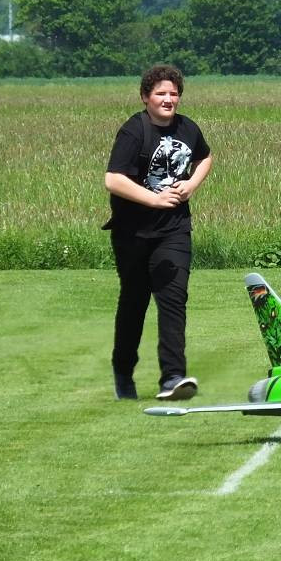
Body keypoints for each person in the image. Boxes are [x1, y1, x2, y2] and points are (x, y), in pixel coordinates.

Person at [103, 65, 213, 401]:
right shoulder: (134, 131)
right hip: (133, 234)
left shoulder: (188, 128)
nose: (168, 100)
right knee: (134, 303)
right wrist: (154, 198)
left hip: (174, 231)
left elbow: (206, 156)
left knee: (173, 300)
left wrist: (191, 184)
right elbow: (114, 179)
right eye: (160, 94)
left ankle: (173, 378)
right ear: (145, 97)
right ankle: (124, 373)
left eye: (173, 94)